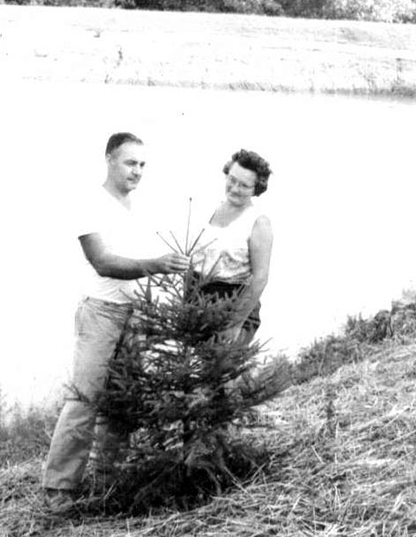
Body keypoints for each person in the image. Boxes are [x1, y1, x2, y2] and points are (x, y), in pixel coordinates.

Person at [42, 132, 189, 513]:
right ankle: (59, 486)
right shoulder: (88, 203)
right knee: (85, 399)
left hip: (135, 312)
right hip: (101, 312)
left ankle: (110, 477)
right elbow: (103, 262)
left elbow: (144, 256)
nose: (137, 172)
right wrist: (156, 264)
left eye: (142, 165)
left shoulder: (137, 207)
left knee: (124, 400)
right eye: (130, 163)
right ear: (109, 159)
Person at [189, 149, 273, 346]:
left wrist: (235, 323)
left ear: (256, 188)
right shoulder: (209, 210)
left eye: (244, 185)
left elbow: (260, 278)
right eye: (232, 180)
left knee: (221, 369)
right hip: (198, 302)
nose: (235, 188)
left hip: (234, 303)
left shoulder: (258, 222)